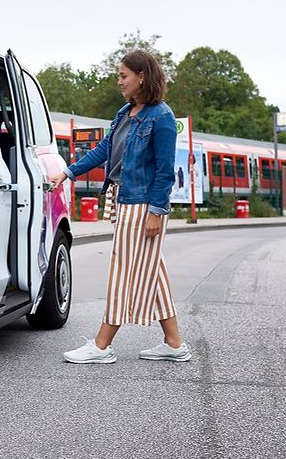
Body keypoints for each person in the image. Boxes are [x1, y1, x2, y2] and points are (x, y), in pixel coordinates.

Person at [49, 49, 191, 363]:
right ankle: (174, 342)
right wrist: (69, 172)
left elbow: (166, 171)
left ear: (142, 77)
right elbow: (104, 149)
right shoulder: (124, 112)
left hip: (142, 205)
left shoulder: (162, 117)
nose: (119, 81)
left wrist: (157, 212)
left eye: (123, 75)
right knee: (153, 271)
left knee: (123, 271)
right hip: (123, 198)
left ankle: (101, 345)